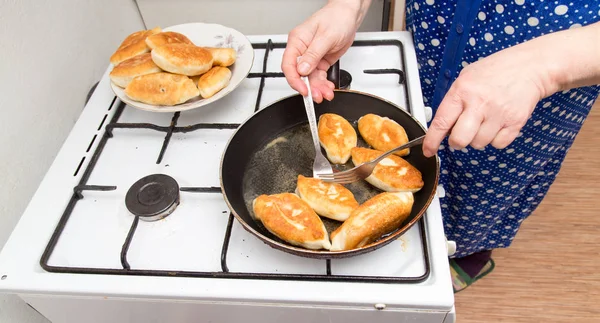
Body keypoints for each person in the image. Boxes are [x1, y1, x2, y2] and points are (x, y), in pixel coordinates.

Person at [281, 0, 600, 292]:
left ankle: (470, 255)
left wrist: (542, 70)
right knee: (422, 140)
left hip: (550, 77)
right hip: (434, 40)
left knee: (490, 183)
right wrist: (349, 6)